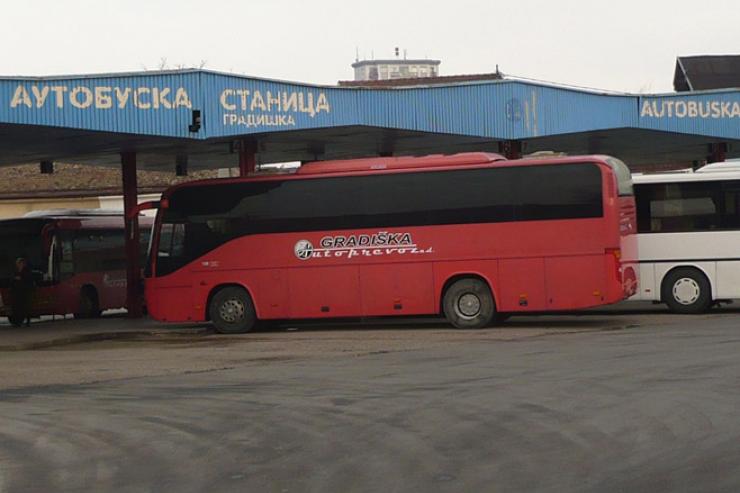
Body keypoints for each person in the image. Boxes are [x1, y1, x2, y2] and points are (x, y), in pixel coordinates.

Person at [10, 257, 34, 327]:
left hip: (25, 291)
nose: (19, 265)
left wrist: (21, 278)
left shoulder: (27, 270)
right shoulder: (15, 271)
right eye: (18, 263)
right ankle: (17, 322)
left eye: (20, 263)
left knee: (25, 307)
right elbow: (12, 280)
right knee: (17, 307)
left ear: (23, 264)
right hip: (17, 292)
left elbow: (29, 279)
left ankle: (27, 321)